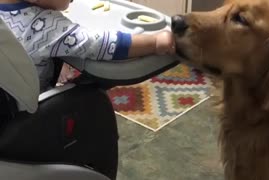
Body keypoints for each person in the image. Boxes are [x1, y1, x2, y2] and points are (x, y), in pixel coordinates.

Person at [0, 0, 175, 179]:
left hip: (6, 116)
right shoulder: (45, 24)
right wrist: (155, 41)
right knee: (91, 99)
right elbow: (102, 44)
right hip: (27, 128)